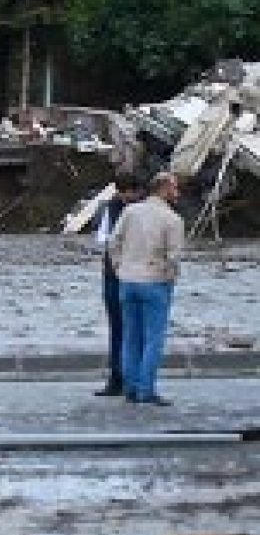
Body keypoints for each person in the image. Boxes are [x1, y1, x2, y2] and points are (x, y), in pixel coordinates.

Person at [109, 169, 187, 406]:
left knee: (131, 336)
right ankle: (147, 389)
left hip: (128, 280)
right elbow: (174, 257)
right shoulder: (173, 220)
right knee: (154, 339)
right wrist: (170, 277)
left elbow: (114, 242)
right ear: (164, 190)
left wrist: (119, 268)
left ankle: (130, 387)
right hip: (155, 281)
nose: (178, 192)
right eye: (174, 188)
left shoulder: (130, 211)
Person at [92, 172, 144, 397]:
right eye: (126, 193)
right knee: (118, 328)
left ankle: (131, 379)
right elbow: (103, 238)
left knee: (133, 329)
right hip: (116, 274)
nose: (130, 197)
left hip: (133, 275)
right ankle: (117, 378)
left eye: (133, 193)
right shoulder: (112, 208)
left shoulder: (142, 209)